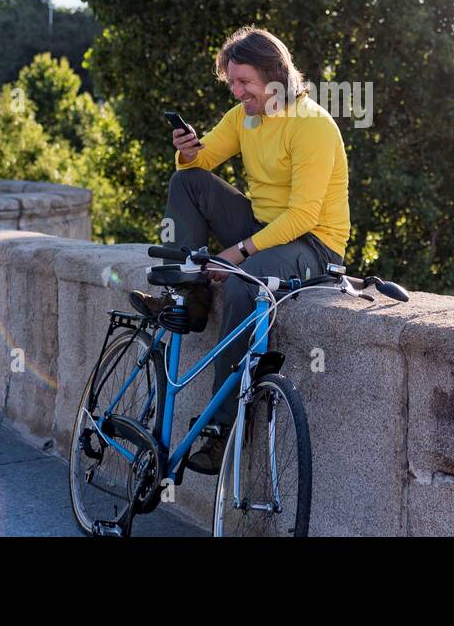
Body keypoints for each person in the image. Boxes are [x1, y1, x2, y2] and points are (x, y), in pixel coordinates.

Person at [129, 26, 350, 474]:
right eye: (232, 82)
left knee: (241, 288)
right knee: (186, 182)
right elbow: (203, 164)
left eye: (243, 81)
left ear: (274, 76)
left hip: (314, 243)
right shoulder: (244, 118)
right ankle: (187, 299)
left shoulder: (312, 126)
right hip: (264, 226)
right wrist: (188, 151)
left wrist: (237, 253)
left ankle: (220, 426)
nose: (237, 91)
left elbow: (304, 215)